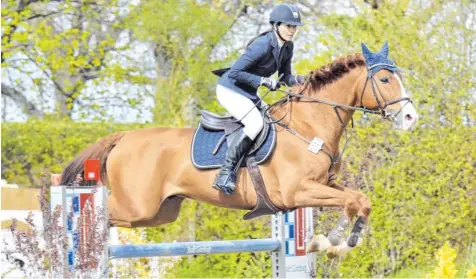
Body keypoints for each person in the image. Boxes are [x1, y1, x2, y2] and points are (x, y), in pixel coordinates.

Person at [212, 3, 305, 195]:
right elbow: (236, 71)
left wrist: (301, 80)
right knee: (255, 124)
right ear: (276, 25)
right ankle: (225, 173)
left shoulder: (288, 47)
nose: (292, 30)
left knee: (273, 119)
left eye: (294, 27)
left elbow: (285, 77)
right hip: (230, 89)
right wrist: (263, 81)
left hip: (248, 92)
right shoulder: (262, 45)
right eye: (289, 26)